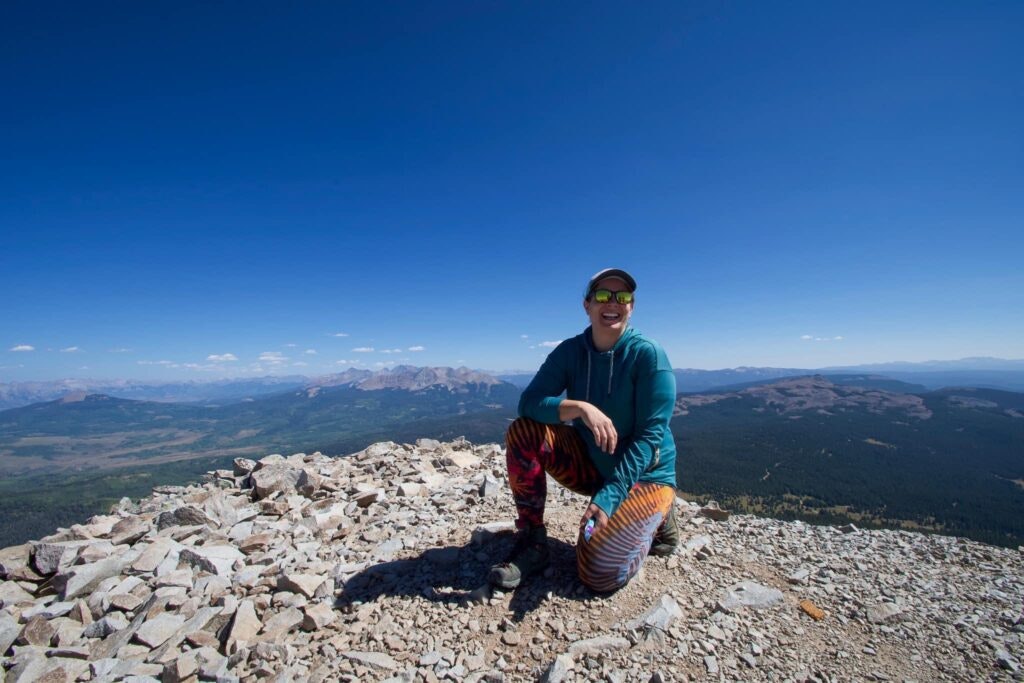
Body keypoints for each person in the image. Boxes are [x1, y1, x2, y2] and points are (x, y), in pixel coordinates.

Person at [489, 268, 679, 593]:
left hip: (643, 474)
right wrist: (578, 408)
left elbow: (649, 438)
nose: (613, 303)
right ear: (587, 305)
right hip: (592, 463)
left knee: (596, 574)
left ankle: (658, 517)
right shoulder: (570, 352)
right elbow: (529, 403)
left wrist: (608, 499)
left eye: (623, 297)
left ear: (631, 306)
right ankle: (533, 542)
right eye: (604, 295)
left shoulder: (648, 355)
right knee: (524, 432)